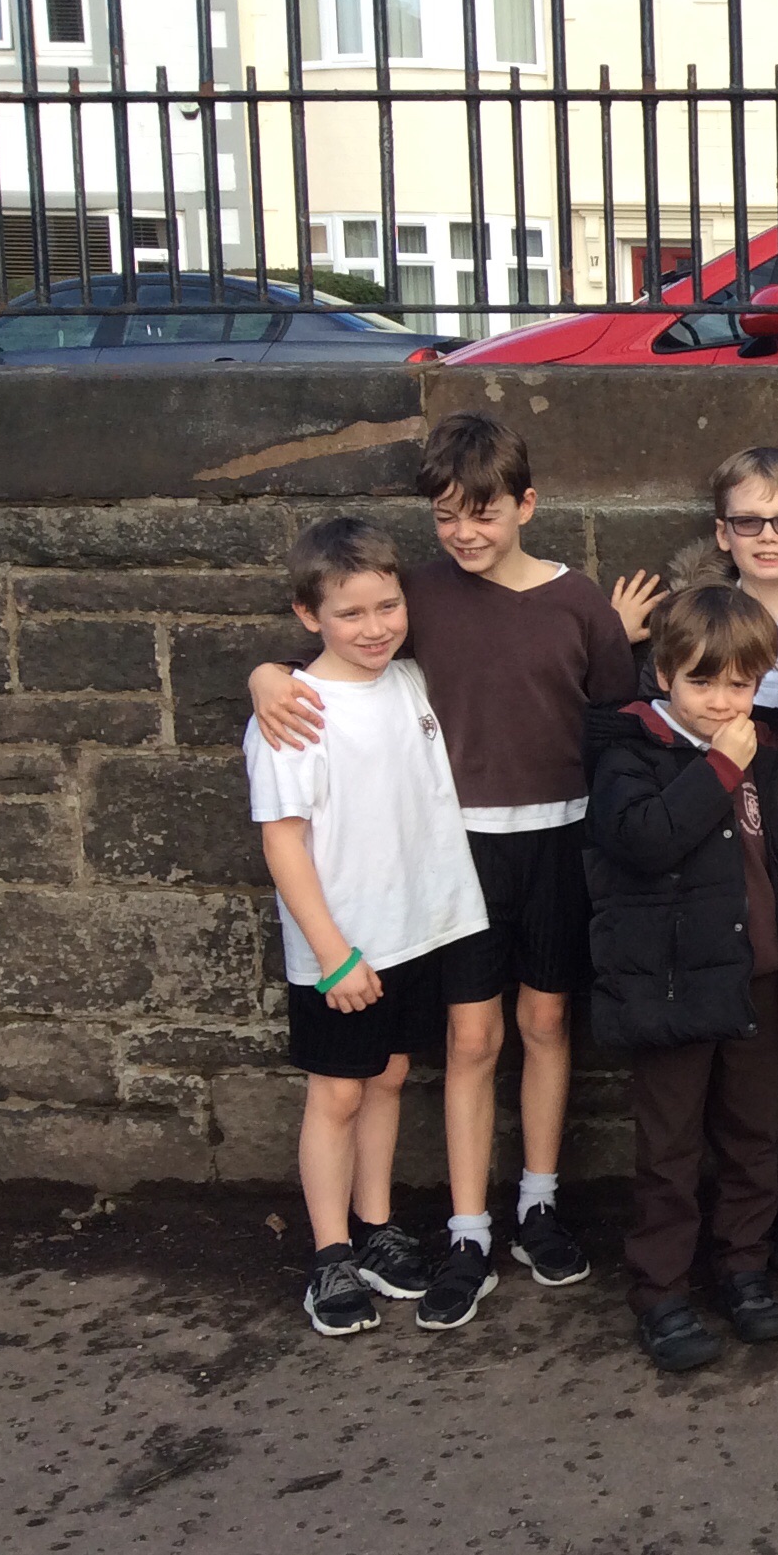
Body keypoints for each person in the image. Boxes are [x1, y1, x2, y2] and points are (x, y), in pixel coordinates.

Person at [248, 414, 637, 1329]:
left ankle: (537, 1202)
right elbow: (341, 651)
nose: (464, 532)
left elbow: (615, 714)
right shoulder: (416, 593)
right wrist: (268, 673)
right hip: (456, 851)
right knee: (469, 1042)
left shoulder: (578, 600)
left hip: (559, 839)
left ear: (525, 506)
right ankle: (468, 1230)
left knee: (547, 1022)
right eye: (447, 515)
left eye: (483, 513)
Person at [244, 518, 486, 1337]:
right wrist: (333, 954)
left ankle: (377, 1227)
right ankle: (331, 1254)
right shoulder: (294, 711)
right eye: (350, 614)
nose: (375, 627)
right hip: (341, 946)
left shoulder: (410, 680)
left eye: (388, 607)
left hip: (415, 930)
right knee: (339, 1092)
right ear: (308, 615)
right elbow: (283, 843)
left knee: (388, 1077)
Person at [584, 583, 778, 1372]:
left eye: (740, 683)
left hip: (757, 977)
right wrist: (721, 766)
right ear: (663, 674)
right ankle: (661, 1291)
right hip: (671, 986)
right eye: (702, 681)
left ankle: (743, 1270)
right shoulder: (630, 751)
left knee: (755, 1136)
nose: (723, 700)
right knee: (670, 1148)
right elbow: (645, 839)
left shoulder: (770, 748)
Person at [615, 446, 778, 1275]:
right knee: (711, 1082)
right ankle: (704, 1248)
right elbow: (620, 718)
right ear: (723, 533)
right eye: (749, 521)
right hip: (713, 842)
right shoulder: (690, 618)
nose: (767, 536)